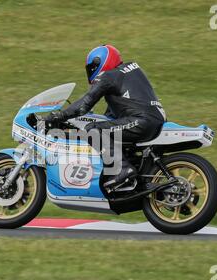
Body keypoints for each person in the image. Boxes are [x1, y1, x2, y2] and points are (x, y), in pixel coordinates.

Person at [43, 44, 166, 188]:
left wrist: (60, 115)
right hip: (153, 118)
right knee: (107, 130)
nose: (91, 72)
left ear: (100, 62)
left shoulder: (109, 76)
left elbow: (85, 103)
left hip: (142, 121)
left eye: (91, 68)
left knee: (94, 130)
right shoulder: (130, 70)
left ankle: (122, 169)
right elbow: (117, 110)